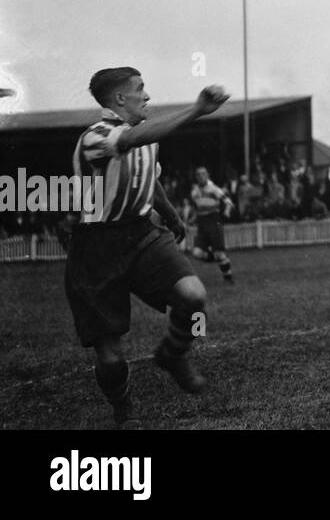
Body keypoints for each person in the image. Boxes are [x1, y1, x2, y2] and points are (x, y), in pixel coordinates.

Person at [66, 68, 229, 428]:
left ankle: (172, 355)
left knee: (193, 294)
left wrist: (170, 215)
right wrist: (196, 109)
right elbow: (128, 144)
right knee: (109, 358)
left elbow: (149, 180)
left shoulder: (146, 139)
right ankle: (123, 408)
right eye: (141, 89)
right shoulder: (96, 137)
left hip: (141, 233)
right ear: (120, 99)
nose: (148, 96)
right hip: (96, 247)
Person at [188, 166, 235, 283]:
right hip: (202, 223)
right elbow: (196, 208)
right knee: (196, 253)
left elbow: (229, 202)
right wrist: (192, 219)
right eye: (198, 174)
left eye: (203, 174)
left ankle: (228, 278)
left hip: (214, 221)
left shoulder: (214, 189)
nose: (200, 176)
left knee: (219, 253)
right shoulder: (194, 192)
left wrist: (226, 211)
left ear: (207, 175)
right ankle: (222, 258)